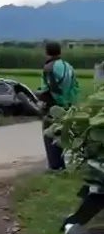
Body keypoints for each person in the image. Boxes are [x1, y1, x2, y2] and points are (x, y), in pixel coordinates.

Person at [38, 41, 79, 171]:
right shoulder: (69, 66)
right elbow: (75, 87)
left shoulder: (49, 68)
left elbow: (52, 88)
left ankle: (55, 167)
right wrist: (69, 103)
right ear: (60, 52)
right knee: (62, 136)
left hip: (53, 106)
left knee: (49, 136)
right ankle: (61, 165)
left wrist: (41, 97)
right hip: (67, 106)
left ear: (46, 52)